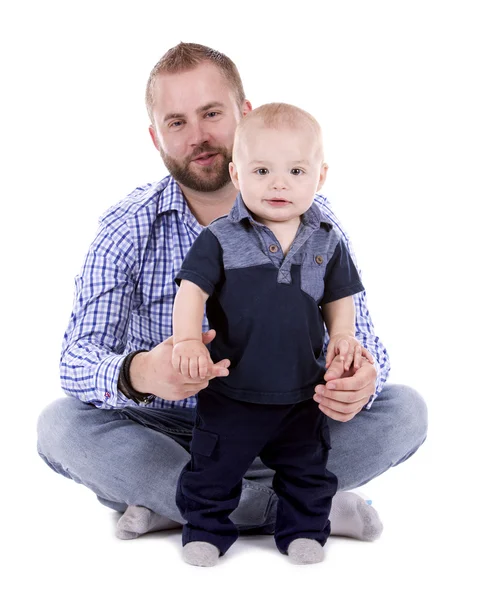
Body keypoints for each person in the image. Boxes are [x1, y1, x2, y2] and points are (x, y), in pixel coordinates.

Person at [36, 42, 428, 551]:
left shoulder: (317, 223)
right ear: (157, 138)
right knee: (59, 426)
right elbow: (75, 360)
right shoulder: (127, 226)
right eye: (176, 123)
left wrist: (357, 379)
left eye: (211, 113)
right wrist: (140, 373)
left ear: (244, 116)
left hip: (290, 416)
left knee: (406, 410)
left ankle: (186, 505)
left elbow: (362, 339)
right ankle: (300, 507)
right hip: (168, 431)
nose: (198, 136)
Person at [172, 101, 375, 566]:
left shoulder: (326, 237)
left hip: (304, 392)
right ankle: (204, 528)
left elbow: (339, 299)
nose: (279, 183)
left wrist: (343, 336)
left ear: (320, 177)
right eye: (262, 170)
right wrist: (186, 341)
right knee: (213, 467)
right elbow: (192, 292)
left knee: (307, 467)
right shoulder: (222, 237)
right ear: (237, 176)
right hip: (232, 392)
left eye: (296, 170)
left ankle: (304, 528)